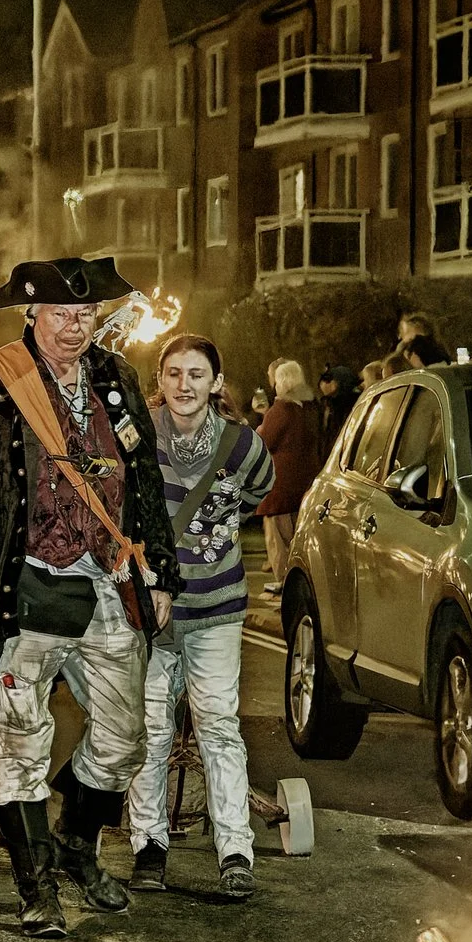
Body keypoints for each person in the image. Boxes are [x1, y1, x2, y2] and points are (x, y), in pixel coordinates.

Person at [0, 256, 178, 939]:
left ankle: (75, 842)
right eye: (64, 316)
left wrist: (158, 570)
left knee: (127, 738)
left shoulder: (116, 377)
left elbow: (144, 481)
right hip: (25, 586)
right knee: (17, 740)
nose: (76, 328)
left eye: (87, 315)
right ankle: (36, 884)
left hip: (106, 582)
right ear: (31, 315)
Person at [127, 334, 274, 900]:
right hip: (154, 610)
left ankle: (235, 850)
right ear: (159, 381)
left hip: (216, 608)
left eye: (196, 375)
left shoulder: (241, 445)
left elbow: (261, 490)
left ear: (216, 383)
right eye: (172, 374)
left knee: (218, 726)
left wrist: (217, 529)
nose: (183, 385)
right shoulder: (137, 436)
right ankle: (148, 847)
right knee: (152, 729)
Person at [253, 360, 318, 596]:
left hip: (279, 484)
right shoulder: (309, 408)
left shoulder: (280, 409)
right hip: (304, 481)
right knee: (297, 535)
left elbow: (266, 441)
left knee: (278, 538)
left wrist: (261, 424)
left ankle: (283, 581)